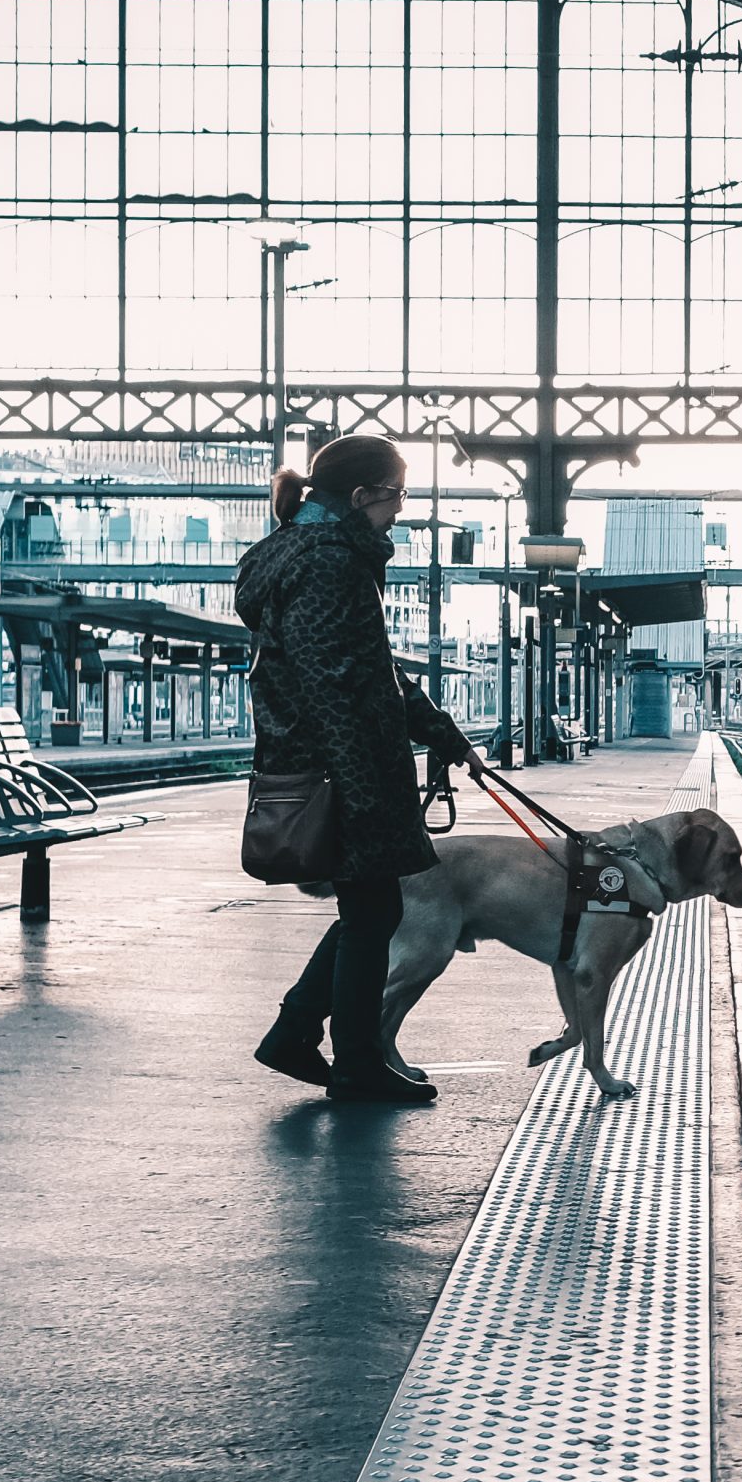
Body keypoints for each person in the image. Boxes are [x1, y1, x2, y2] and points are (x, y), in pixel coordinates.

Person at [235, 433, 487, 1104]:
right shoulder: (326, 561)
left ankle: (301, 1036)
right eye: (397, 498)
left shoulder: (311, 553)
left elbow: (370, 671)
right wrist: (363, 788)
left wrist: (439, 730)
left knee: (367, 909)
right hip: (340, 769)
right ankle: (353, 1063)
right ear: (363, 495)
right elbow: (334, 684)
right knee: (372, 909)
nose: (399, 513)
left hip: (332, 763)